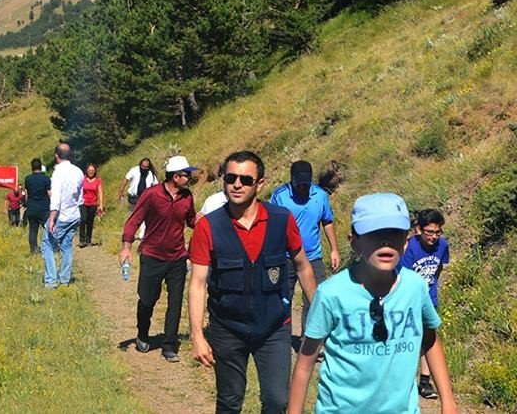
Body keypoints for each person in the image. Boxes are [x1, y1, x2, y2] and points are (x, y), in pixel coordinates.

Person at [288, 194, 456, 413]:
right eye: (374, 234)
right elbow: (304, 364)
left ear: (406, 241)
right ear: (354, 242)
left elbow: (430, 340)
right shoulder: (331, 294)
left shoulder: (415, 287)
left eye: (394, 233)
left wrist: (449, 402)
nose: (385, 241)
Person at [189, 150, 317, 414]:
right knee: (229, 401)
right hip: (227, 327)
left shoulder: (282, 219)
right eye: (231, 178)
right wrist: (197, 335)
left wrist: (319, 311)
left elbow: (303, 266)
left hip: (274, 326)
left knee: (277, 401)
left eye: (246, 180)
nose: (237, 184)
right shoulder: (208, 227)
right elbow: (198, 283)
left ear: (260, 184)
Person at [119, 155, 197, 362]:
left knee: (175, 302)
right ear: (175, 176)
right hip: (152, 256)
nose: (189, 177)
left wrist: (211, 225)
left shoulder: (187, 197)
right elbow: (134, 220)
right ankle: (142, 333)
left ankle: (169, 345)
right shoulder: (152, 195)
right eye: (186, 174)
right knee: (147, 300)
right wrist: (126, 247)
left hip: (178, 258)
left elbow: (192, 221)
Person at [269, 160, 340, 336]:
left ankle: (310, 339)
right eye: (298, 184)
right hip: (286, 256)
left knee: (315, 299)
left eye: (306, 184)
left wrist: (334, 249)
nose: (302, 187)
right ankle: (281, 337)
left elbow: (327, 222)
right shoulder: (280, 196)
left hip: (313, 256)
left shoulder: (320, 195)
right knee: (284, 297)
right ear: (291, 180)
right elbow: (270, 225)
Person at [400, 208, 451, 401]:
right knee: (406, 339)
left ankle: (425, 381)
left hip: (429, 298)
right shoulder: (410, 248)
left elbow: (438, 268)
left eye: (438, 232)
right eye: (429, 232)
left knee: (428, 339)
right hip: (407, 299)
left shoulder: (442, 245)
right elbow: (403, 277)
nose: (434, 237)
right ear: (419, 230)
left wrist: (431, 289)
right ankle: (403, 380)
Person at [44, 143, 83, 288]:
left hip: (62, 215)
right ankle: (65, 279)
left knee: (47, 244)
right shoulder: (78, 171)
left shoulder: (58, 173)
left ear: (56, 156)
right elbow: (80, 196)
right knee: (67, 246)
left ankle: (51, 281)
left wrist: (52, 219)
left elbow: (56, 198)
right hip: (74, 214)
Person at [24, 158, 52, 255]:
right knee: (48, 228)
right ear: (41, 167)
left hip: (31, 207)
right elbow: (49, 193)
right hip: (43, 208)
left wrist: (27, 205)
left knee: (33, 230)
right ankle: (50, 247)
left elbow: (26, 194)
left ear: (32, 167)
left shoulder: (27, 179)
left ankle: (33, 250)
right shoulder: (46, 179)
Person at [79, 164, 104, 247]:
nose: (91, 172)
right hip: (83, 202)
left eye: (93, 170)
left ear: (95, 171)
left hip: (93, 203)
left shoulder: (98, 180)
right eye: (89, 170)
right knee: (83, 220)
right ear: (86, 170)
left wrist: (101, 204)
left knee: (90, 222)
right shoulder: (83, 179)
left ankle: (88, 239)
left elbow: (100, 192)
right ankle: (82, 240)